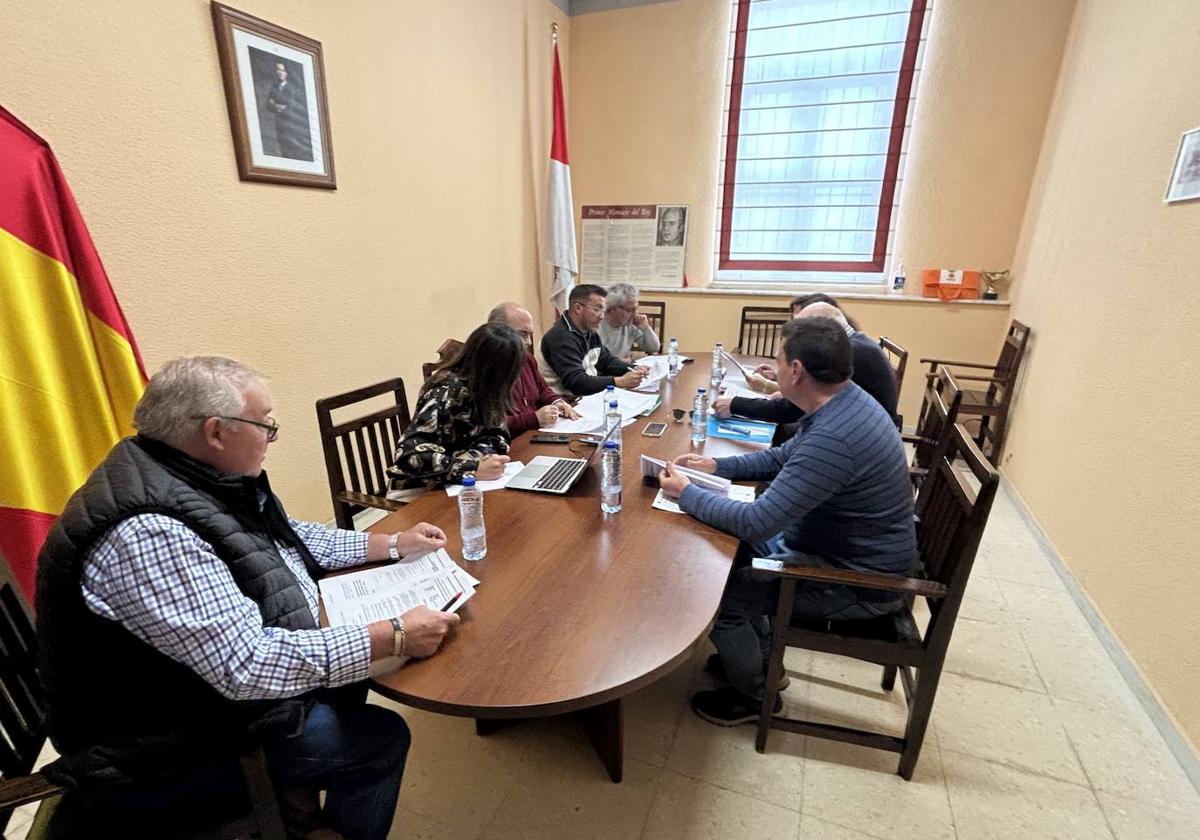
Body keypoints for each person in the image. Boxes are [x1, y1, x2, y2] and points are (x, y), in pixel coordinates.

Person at [35, 356, 460, 840]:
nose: (271, 439)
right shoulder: (148, 530)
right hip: (160, 750)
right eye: (266, 426)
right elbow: (247, 666)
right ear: (217, 432)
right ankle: (306, 807)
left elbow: (288, 538)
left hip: (197, 695)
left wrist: (390, 545)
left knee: (350, 663)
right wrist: (396, 633)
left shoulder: (189, 471)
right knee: (383, 739)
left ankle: (298, 806)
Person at [658, 319, 915, 726]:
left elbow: (758, 522)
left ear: (796, 370)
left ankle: (757, 694)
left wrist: (688, 494)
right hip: (838, 548)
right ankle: (761, 661)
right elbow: (783, 458)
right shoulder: (846, 401)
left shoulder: (836, 437)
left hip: (858, 582)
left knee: (722, 598)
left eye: (777, 361)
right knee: (735, 561)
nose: (773, 370)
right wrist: (716, 465)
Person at [713, 299, 898, 435]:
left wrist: (736, 404)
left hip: (856, 437)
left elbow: (792, 410)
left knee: (779, 432)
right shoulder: (856, 343)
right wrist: (779, 378)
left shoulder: (851, 353)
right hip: (861, 429)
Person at [391, 322, 525, 494]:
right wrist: (471, 468)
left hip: (459, 484)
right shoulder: (445, 393)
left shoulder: (485, 391)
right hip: (421, 489)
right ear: (496, 370)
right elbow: (409, 456)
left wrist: (474, 457)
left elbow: (499, 436)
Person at [487, 301, 581, 435]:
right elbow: (490, 425)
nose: (529, 342)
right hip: (509, 442)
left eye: (530, 335)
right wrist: (534, 419)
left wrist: (557, 402)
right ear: (497, 331)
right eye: (522, 334)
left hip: (534, 433)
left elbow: (542, 389)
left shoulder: (526, 358)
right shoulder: (486, 368)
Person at [540, 284, 648, 396]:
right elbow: (576, 383)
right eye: (597, 309)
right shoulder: (561, 338)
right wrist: (618, 382)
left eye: (603, 310)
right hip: (566, 402)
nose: (602, 316)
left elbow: (606, 361)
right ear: (578, 308)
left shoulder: (588, 331)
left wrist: (633, 368)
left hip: (589, 395)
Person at [598, 283, 661, 361]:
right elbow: (592, 362)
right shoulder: (597, 325)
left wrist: (645, 327)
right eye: (630, 310)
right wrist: (619, 362)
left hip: (622, 369)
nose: (635, 314)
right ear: (614, 309)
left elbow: (654, 348)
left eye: (636, 309)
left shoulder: (631, 325)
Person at [266, 60, 308, 161]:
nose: (279, 72)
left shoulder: (292, 88)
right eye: (277, 70)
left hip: (292, 125)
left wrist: (275, 102)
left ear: (287, 73)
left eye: (282, 70)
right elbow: (268, 104)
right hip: (280, 124)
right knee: (283, 149)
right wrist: (278, 106)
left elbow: (292, 104)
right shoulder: (274, 87)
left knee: (292, 152)